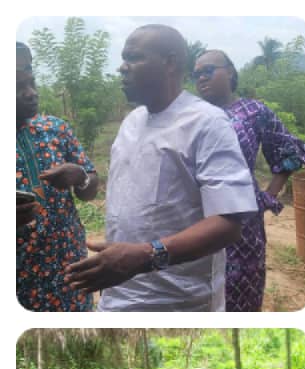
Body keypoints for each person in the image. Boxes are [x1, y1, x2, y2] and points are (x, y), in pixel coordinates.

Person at [63, 25, 257, 310]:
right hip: (117, 292)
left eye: (134, 58)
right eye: (123, 58)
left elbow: (228, 225)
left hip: (179, 302)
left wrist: (145, 256)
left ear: (170, 63)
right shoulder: (131, 122)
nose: (122, 68)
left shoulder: (207, 123)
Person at [194, 49, 305, 311]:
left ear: (231, 72)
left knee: (241, 293)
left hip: (243, 226)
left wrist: (269, 195)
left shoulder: (253, 111)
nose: (202, 78)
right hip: (196, 221)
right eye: (197, 74)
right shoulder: (192, 116)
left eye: (209, 70)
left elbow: (289, 150)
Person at [16, 42, 100, 311]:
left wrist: (80, 177)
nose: (31, 94)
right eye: (18, 88)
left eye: (32, 84)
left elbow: (90, 189)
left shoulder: (55, 129)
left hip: (68, 268)